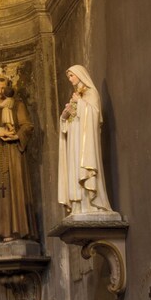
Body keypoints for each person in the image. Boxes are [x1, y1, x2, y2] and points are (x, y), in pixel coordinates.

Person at [0, 75, 38, 242]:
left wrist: (16, 136)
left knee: (15, 186)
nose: (0, 91)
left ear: (9, 87)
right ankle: (2, 231)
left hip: (13, 151)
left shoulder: (17, 105)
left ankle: (18, 230)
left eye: (3, 87)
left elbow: (27, 125)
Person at [58, 65, 112, 216]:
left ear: (80, 75)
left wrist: (80, 103)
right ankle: (78, 206)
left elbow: (95, 115)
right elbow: (71, 120)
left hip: (85, 141)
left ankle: (90, 205)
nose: (70, 79)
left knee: (84, 168)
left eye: (72, 76)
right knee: (75, 169)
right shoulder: (76, 95)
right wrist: (64, 116)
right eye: (69, 77)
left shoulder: (91, 92)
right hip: (74, 139)